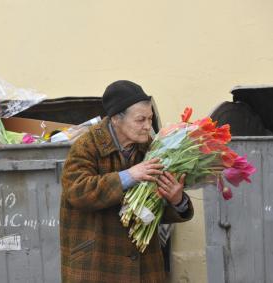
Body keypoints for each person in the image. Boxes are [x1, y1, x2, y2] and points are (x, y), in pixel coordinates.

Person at [60, 80, 194, 283]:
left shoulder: (152, 148)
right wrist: (130, 176)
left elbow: (152, 208)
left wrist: (177, 201)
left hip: (143, 265)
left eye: (150, 119)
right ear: (116, 119)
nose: (148, 126)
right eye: (140, 120)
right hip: (97, 263)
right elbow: (77, 192)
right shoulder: (86, 146)